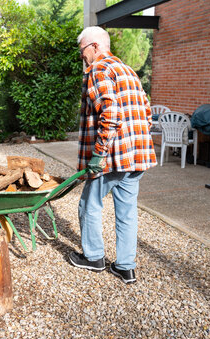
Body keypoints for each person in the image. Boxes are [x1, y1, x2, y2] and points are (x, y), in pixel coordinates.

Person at [69, 26, 157, 284]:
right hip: (136, 157)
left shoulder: (98, 69)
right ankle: (125, 266)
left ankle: (94, 257)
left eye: (82, 50)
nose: (82, 56)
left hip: (112, 158)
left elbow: (110, 113)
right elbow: (147, 112)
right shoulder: (128, 71)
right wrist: (136, 143)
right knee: (127, 212)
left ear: (94, 46)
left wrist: (98, 155)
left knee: (89, 204)